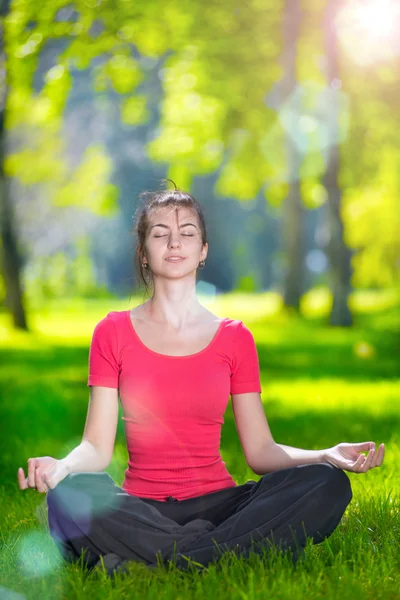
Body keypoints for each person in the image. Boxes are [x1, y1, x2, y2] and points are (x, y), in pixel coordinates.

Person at [17, 183, 385, 577]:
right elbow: (96, 447)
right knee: (69, 495)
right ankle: (223, 551)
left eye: (188, 233)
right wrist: (63, 467)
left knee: (327, 484)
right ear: (144, 253)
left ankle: (152, 560)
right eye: (160, 234)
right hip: (141, 506)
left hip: (220, 505)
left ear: (203, 250)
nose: (175, 242)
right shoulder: (112, 332)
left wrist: (324, 455)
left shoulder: (235, 337)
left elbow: (260, 452)